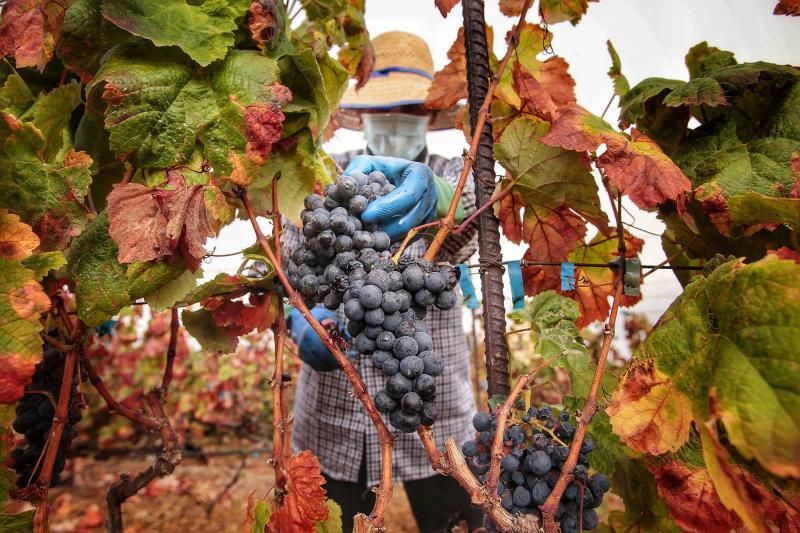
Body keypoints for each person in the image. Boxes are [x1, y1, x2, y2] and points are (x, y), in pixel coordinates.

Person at [285, 31, 482, 532]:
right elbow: (292, 266)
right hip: (332, 418)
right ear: (364, 115)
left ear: (427, 118)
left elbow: (483, 211)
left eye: (410, 112)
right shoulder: (325, 177)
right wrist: (299, 318)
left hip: (435, 412)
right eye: (384, 111)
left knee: (459, 521)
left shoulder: (449, 173)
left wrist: (442, 196)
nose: (396, 123)